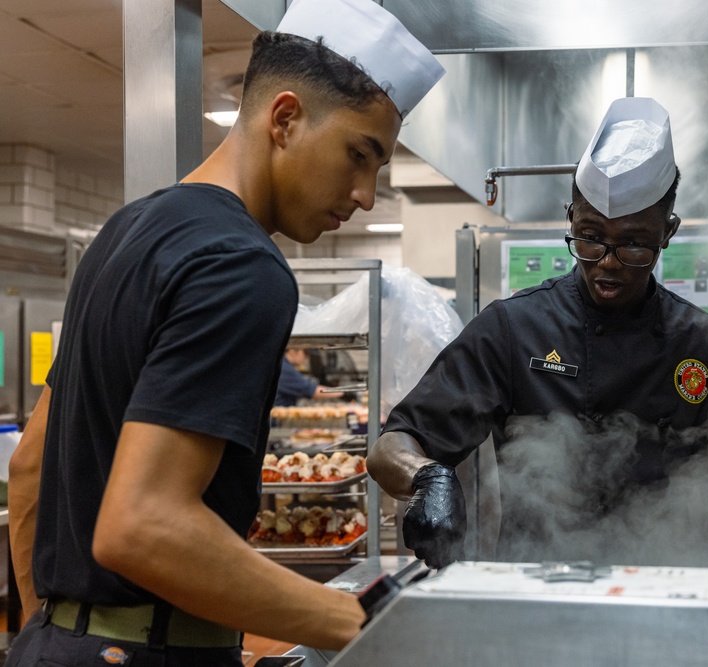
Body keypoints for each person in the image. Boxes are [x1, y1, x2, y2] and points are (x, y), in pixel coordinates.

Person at [5, 0, 443, 664]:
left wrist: (62, 629)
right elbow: (143, 524)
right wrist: (358, 621)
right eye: (360, 154)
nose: (366, 193)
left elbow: (29, 465)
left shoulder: (125, 233)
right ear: (286, 118)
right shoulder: (241, 265)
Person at [368, 97, 708, 569]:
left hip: (669, 588)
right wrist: (427, 478)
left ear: (668, 231)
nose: (608, 262)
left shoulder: (703, 342)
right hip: (539, 590)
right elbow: (390, 446)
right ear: (571, 218)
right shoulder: (513, 329)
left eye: (635, 244)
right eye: (590, 236)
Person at [274, 347, 343, 407]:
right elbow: (310, 390)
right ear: (292, 351)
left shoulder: (283, 364)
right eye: (306, 353)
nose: (308, 357)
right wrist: (342, 392)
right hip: (275, 417)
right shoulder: (284, 369)